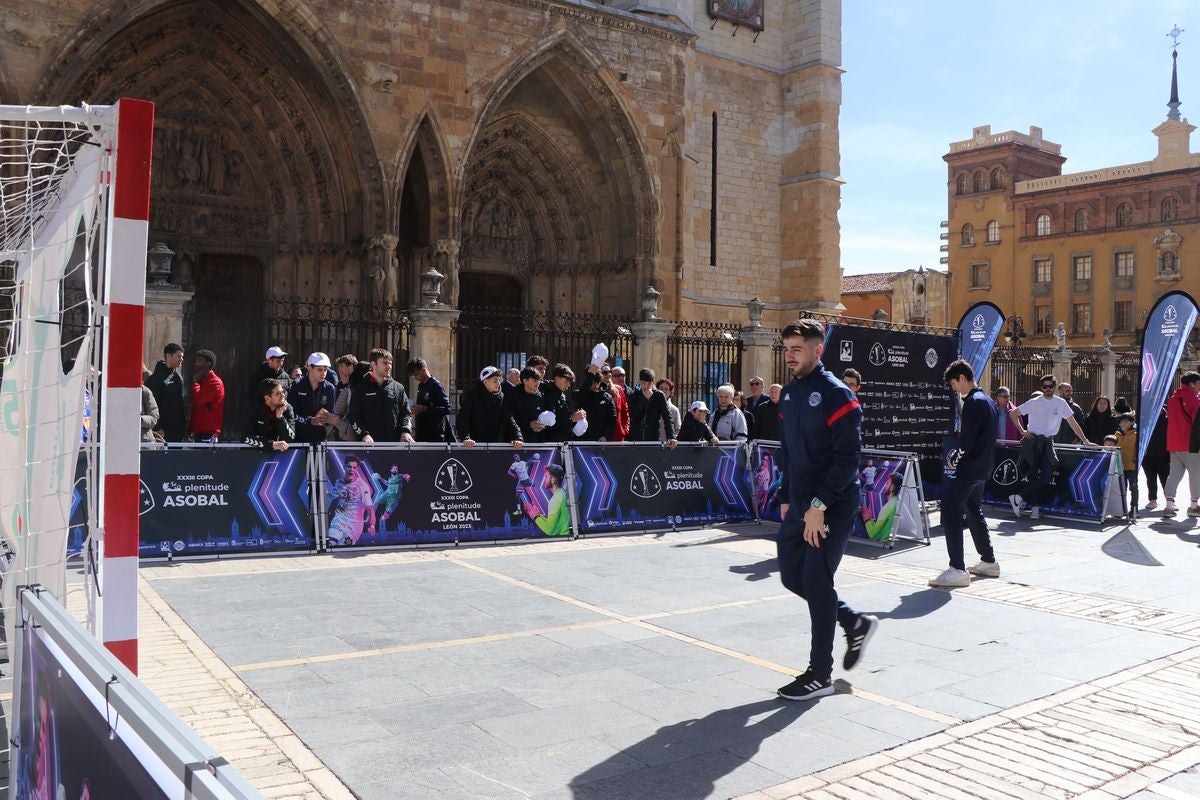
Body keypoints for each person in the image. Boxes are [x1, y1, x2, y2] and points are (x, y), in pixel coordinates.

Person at [774, 320, 877, 701]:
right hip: (800, 502)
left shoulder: (837, 394)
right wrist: (787, 495)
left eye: (797, 348)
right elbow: (787, 451)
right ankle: (853, 621)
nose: (789, 355)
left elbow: (849, 458)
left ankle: (820, 674)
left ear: (818, 350)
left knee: (817, 582)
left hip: (831, 503)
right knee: (791, 577)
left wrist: (819, 505)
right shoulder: (788, 394)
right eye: (786, 348)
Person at [929, 359, 999, 588]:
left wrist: (955, 457)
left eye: (954, 384)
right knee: (972, 508)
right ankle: (988, 561)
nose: (954, 389)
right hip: (983, 466)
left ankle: (957, 568)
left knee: (950, 508)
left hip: (970, 467)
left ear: (962, 378)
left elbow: (967, 440)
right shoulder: (987, 400)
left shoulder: (972, 402)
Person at [1007, 374, 1090, 519]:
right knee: (1032, 475)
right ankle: (1035, 509)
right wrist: (1022, 431)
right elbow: (1013, 414)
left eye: (1050, 386)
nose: (1047, 389)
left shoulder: (1061, 403)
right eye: (1044, 387)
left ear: (1054, 387)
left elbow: (1073, 423)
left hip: (1048, 442)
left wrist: (1085, 441)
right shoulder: (1034, 401)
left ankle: (1018, 498)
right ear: (1041, 387)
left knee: (1046, 475)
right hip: (1032, 440)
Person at [345, 348, 414, 443]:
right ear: (373, 365)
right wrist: (364, 434)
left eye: (390, 363)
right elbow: (354, 416)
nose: (389, 366)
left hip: (394, 446)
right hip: (368, 447)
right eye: (385, 363)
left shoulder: (399, 388)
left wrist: (405, 431)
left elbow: (406, 414)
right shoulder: (360, 389)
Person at [457, 366, 522, 447]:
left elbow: (509, 418)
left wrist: (517, 437)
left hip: (494, 444)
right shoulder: (472, 396)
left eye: (499, 380)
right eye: (495, 381)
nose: (498, 383)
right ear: (485, 381)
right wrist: (465, 438)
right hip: (474, 445)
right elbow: (462, 419)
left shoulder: (501, 397)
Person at [1164, 372, 1200, 518]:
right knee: (1196, 475)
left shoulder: (1173, 399)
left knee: (1174, 474)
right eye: (1198, 384)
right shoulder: (1194, 399)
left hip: (1173, 443)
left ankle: (1168, 506)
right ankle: (1193, 506)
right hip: (1190, 444)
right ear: (1192, 384)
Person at [288, 352, 338, 445]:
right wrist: (310, 421)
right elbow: (291, 415)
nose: (323, 373)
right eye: (319, 369)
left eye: (325, 370)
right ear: (310, 368)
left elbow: (331, 413)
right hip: (299, 439)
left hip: (320, 440)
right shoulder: (296, 385)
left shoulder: (329, 388)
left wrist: (330, 419)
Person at [328, 456, 375, 546]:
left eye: (354, 467)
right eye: (349, 467)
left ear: (357, 469)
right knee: (331, 544)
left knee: (342, 549)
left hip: (354, 525)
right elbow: (330, 496)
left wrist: (372, 525)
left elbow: (370, 509)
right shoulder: (339, 483)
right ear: (344, 466)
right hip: (339, 520)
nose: (351, 470)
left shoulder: (362, 486)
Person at [145, 342, 187, 442]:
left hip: (177, 432)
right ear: (168, 356)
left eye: (182, 356)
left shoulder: (178, 378)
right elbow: (151, 405)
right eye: (178, 356)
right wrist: (157, 428)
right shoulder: (155, 379)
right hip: (161, 433)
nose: (181, 359)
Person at [407, 357, 454, 443]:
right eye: (413, 376)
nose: (415, 377)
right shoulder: (420, 386)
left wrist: (425, 408)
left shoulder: (436, 386)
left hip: (434, 437)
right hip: (422, 435)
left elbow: (447, 409)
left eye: (416, 374)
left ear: (423, 370)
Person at [505, 366, 552, 443]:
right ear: (525, 381)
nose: (538, 383)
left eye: (539, 380)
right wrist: (528, 424)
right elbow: (508, 419)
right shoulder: (512, 395)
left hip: (537, 442)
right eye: (535, 380)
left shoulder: (540, 396)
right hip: (517, 443)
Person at [247, 378, 295, 451]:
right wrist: (271, 444)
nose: (283, 396)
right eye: (278, 394)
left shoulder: (287, 408)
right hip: (254, 454)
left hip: (280, 455)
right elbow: (246, 436)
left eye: (283, 392)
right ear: (267, 398)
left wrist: (280, 418)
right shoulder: (253, 409)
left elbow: (290, 438)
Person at [187, 348, 225, 442]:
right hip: (198, 432)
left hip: (208, 434)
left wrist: (195, 383)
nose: (196, 364)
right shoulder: (202, 381)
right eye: (196, 361)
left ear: (209, 364)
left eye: (200, 361)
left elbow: (199, 399)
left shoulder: (215, 382)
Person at [326, 361, 369, 441]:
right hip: (349, 439)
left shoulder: (374, 391)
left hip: (370, 437)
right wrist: (346, 428)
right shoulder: (348, 392)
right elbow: (336, 416)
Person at [524, 464, 570, 537]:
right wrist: (539, 516)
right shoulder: (562, 493)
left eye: (546, 476)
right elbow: (555, 528)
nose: (544, 479)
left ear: (553, 479)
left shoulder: (555, 499)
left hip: (563, 540)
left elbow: (549, 531)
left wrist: (535, 517)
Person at [248, 345, 290, 424]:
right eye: (278, 361)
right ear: (270, 360)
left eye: (282, 360)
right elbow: (252, 395)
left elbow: (288, 393)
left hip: (280, 415)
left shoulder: (285, 376)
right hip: (262, 416)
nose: (281, 363)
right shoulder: (258, 375)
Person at [634, 368, 676, 446]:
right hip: (635, 439)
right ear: (639, 381)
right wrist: (645, 399)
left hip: (652, 438)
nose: (646, 386)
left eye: (649, 384)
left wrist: (671, 436)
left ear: (653, 382)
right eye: (643, 383)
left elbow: (667, 416)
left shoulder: (659, 395)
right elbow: (632, 415)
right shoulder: (634, 395)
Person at [577, 365, 617, 441]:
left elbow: (612, 419)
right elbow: (581, 395)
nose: (594, 385)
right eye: (591, 381)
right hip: (583, 441)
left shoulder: (607, 397)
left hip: (600, 441)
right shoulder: (581, 395)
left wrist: (605, 436)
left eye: (596, 381)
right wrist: (591, 374)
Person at [1143, 404, 1169, 511]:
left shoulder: (1168, 420)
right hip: (1148, 454)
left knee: (1165, 478)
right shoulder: (1145, 419)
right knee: (1151, 478)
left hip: (1164, 454)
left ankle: (1170, 500)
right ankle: (1152, 499)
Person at [1114, 412, 1137, 519]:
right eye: (1122, 421)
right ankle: (1120, 509)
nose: (1124, 423)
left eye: (1127, 421)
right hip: (1120, 467)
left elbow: (1139, 449)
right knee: (1121, 490)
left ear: (1132, 422)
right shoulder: (1116, 435)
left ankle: (1134, 509)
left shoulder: (1136, 434)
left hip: (1132, 467)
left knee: (1133, 489)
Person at [608, 366, 632, 441]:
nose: (621, 378)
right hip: (607, 436)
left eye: (623, 375)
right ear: (610, 377)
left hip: (622, 436)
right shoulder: (605, 391)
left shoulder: (631, 393)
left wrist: (624, 430)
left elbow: (626, 413)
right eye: (617, 376)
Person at [656, 378, 682, 443]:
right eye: (661, 388)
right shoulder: (650, 405)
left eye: (666, 389)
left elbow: (677, 430)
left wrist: (672, 439)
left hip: (667, 447)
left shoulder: (675, 410)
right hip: (651, 445)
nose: (663, 391)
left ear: (670, 392)